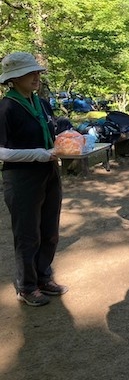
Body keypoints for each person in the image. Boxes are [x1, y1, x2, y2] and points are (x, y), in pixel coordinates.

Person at [0, 52, 68, 307]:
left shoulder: (41, 103)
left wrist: (69, 137)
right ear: (14, 78)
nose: (37, 77)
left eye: (37, 72)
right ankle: (27, 287)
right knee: (28, 234)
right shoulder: (6, 108)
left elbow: (52, 132)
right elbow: (1, 151)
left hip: (49, 173)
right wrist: (38, 155)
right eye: (31, 73)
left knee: (49, 231)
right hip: (21, 178)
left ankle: (43, 276)